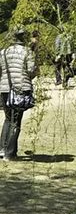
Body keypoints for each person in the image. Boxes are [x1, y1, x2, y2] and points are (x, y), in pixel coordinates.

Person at [0, 27, 37, 161]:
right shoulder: (27, 52)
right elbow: (31, 70)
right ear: (23, 38)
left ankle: (2, 149)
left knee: (8, 118)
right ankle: (10, 153)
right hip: (20, 89)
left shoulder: (3, 52)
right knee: (16, 121)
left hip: (4, 89)